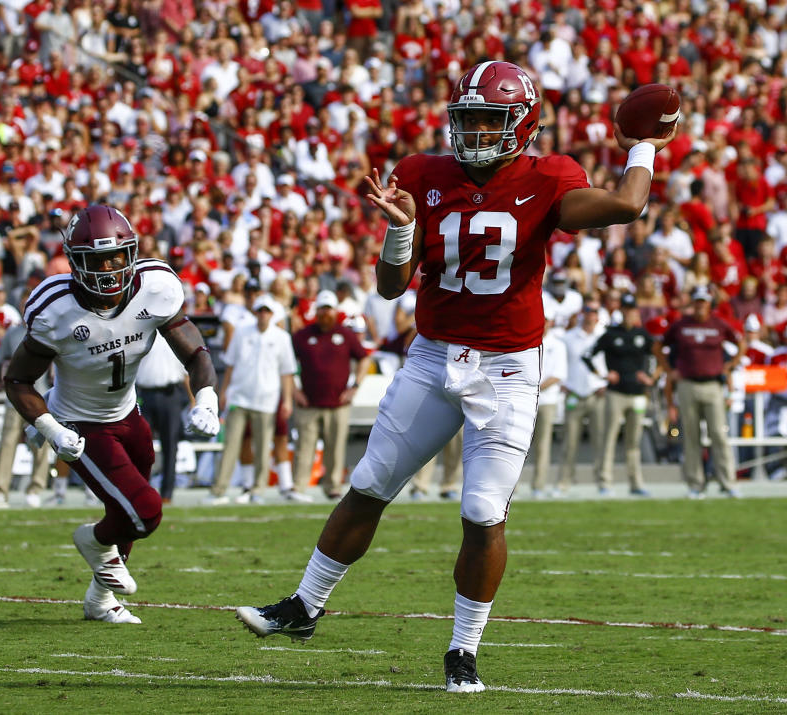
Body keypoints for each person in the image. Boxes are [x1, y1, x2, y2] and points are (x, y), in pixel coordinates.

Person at [235, 61, 674, 693]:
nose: (474, 132)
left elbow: (628, 205)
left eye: (488, 120)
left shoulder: (549, 176)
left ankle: (462, 650)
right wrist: (401, 229)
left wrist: (641, 149)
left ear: (521, 124)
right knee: (369, 482)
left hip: (506, 364)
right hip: (434, 354)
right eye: (465, 119)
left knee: (481, 509)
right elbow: (390, 287)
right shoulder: (421, 173)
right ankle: (304, 606)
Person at [3, 205, 219, 624]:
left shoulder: (155, 287)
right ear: (73, 261)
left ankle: (101, 599)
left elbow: (195, 351)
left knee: (128, 510)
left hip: (127, 412)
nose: (108, 270)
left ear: (132, 254)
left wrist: (207, 398)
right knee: (144, 510)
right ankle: (92, 540)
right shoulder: (56, 309)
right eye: (96, 260)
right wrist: (49, 428)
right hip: (79, 423)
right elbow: (17, 381)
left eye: (116, 257)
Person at [206, 295, 296, 504]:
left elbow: (287, 372)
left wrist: (288, 400)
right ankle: (219, 490)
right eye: (260, 310)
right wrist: (225, 391)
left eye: (266, 311)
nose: (263, 314)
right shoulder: (242, 332)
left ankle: (257, 491)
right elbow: (230, 365)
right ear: (255, 312)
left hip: (267, 399)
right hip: (239, 397)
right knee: (230, 445)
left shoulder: (281, 337)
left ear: (272, 314)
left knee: (264, 447)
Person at [659, 285, 744, 498]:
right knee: (690, 436)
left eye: (704, 302)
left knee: (719, 434)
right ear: (693, 303)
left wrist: (730, 365)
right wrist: (670, 371)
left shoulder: (718, 324)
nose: (700, 305)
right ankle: (695, 484)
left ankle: (728, 482)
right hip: (687, 384)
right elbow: (658, 347)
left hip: (713, 385)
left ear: (709, 304)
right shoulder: (680, 325)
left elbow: (740, 342)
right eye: (697, 301)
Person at [290, 290, 371, 502]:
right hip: (309, 402)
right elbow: (286, 364)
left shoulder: (345, 335)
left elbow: (364, 359)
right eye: (322, 308)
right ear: (316, 311)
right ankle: (299, 486)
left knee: (335, 449)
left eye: (329, 308)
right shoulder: (303, 336)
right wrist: (294, 390)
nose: (325, 313)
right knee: (304, 447)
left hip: (338, 403)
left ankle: (333, 486)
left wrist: (355, 386)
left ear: (335, 311)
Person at [0, 297, 52, 509]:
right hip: (15, 399)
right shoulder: (11, 335)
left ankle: (36, 489)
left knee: (40, 446)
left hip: (41, 398)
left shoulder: (49, 333)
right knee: (7, 444)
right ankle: (0, 491)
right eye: (24, 305)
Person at [587, 293, 658, 496]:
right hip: (615, 394)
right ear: (622, 311)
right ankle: (604, 482)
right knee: (609, 437)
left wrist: (651, 377)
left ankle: (636, 483)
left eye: (631, 309)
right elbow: (588, 355)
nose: (629, 313)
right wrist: (602, 374)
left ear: (636, 311)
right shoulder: (611, 334)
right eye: (625, 309)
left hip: (637, 393)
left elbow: (659, 356)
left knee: (633, 441)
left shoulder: (642, 334)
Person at [557, 303, 608, 494]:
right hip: (574, 393)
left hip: (598, 392)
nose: (590, 315)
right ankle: (564, 481)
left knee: (600, 440)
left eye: (594, 311)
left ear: (598, 315)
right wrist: (564, 383)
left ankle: (602, 482)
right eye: (588, 311)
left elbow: (610, 361)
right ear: (582, 314)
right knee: (569, 441)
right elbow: (562, 363)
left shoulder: (605, 335)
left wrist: (605, 383)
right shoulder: (568, 338)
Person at [135, 334, 189, 504]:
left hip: (170, 394)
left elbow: (186, 372)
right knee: (142, 446)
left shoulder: (178, 335)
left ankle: (167, 493)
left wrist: (193, 399)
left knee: (170, 445)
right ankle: (141, 490)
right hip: (145, 393)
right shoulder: (143, 331)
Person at [528, 316, 567, 498]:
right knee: (516, 444)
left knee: (543, 445)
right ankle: (511, 487)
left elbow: (558, 374)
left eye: (546, 320)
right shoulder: (526, 341)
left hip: (546, 400)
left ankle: (538, 485)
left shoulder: (557, 345)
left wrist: (534, 387)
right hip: (525, 400)